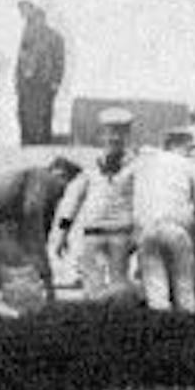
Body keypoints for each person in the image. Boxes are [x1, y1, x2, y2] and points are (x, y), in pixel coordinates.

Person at [0, 157, 82, 306]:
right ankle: (22, 318)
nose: (63, 190)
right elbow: (33, 225)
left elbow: (39, 227)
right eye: (64, 183)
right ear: (58, 174)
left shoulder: (31, 181)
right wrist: (46, 275)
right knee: (22, 270)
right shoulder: (42, 178)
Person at [53, 107, 139, 299]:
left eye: (119, 132)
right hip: (96, 234)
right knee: (95, 286)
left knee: (117, 286)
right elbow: (70, 205)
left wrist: (138, 234)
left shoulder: (135, 167)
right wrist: (61, 233)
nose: (114, 138)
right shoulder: (91, 168)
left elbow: (142, 203)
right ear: (102, 135)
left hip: (120, 233)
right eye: (110, 132)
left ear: (127, 135)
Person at [131, 127, 195, 312]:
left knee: (156, 290)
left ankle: (161, 332)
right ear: (182, 145)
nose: (191, 152)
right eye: (189, 147)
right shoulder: (188, 165)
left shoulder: (146, 163)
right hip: (176, 230)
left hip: (147, 231)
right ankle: (186, 332)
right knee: (184, 287)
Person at [14, 0, 66, 146]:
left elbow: (59, 61)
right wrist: (18, 81)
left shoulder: (55, 37)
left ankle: (41, 146)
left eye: (35, 16)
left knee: (42, 117)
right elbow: (21, 60)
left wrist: (56, 81)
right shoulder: (27, 34)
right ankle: (26, 145)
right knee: (24, 115)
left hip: (44, 82)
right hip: (26, 83)